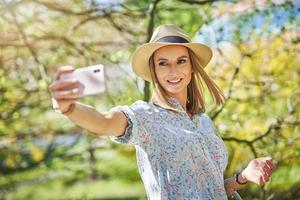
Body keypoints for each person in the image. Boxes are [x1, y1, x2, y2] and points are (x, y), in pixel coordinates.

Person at [48, 24, 276, 200]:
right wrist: (68, 107)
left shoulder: (203, 120)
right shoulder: (146, 117)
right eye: (163, 63)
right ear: (154, 70)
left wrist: (242, 177)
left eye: (181, 61)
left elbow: (212, 190)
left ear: (192, 66)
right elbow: (104, 123)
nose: (173, 70)